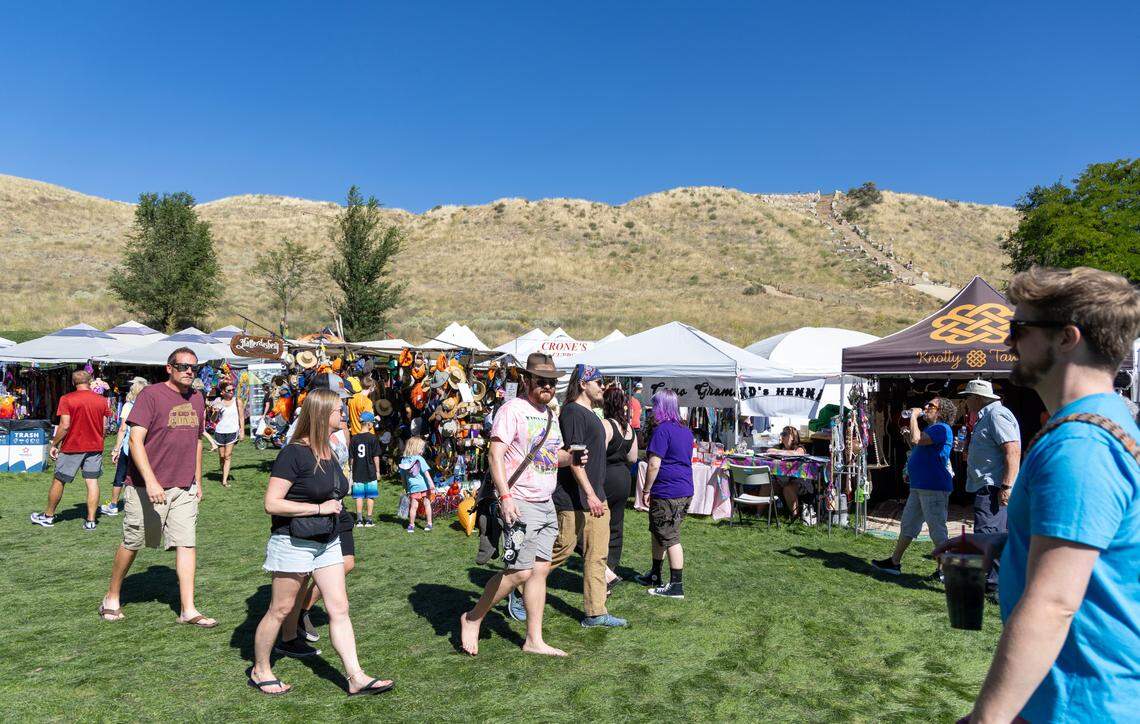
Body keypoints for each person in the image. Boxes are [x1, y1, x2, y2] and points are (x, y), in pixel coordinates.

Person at [934, 266, 1140, 723]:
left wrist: (987, 718)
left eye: (1019, 329)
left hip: (1080, 703)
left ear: (1067, 338)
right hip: (1067, 694)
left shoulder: (1080, 445)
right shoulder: (1103, 421)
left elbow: (1053, 603)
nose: (1009, 342)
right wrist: (1005, 543)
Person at [249, 387, 392, 696]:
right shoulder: (293, 453)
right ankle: (260, 669)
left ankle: (355, 676)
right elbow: (271, 503)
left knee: (340, 608)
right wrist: (317, 507)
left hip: (326, 541)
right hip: (292, 541)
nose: (344, 415)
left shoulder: (330, 449)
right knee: (281, 608)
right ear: (322, 415)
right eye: (339, 410)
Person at [460, 353, 574, 656]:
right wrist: (506, 497)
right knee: (519, 572)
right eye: (542, 381)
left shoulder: (550, 414)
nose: (548, 387)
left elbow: (551, 455)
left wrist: (571, 457)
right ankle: (472, 618)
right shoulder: (512, 410)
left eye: (552, 383)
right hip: (520, 501)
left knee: (539, 572)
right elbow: (494, 455)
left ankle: (533, 640)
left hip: (546, 502)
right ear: (526, 380)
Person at [98, 348, 216, 626]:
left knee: (186, 544)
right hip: (145, 487)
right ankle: (112, 596)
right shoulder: (150, 396)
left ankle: (188, 609)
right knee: (134, 541)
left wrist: (197, 480)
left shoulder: (198, 398)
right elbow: (135, 440)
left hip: (184, 487)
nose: (189, 371)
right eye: (183, 366)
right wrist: (151, 480)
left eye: (193, 367)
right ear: (169, 368)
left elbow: (197, 441)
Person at [551, 364, 627, 627]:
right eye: (598, 382)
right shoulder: (572, 412)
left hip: (596, 496)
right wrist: (591, 494)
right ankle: (520, 584)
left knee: (597, 555)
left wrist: (597, 495)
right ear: (583, 384)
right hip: (576, 499)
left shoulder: (591, 413)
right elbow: (574, 460)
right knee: (563, 549)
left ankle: (596, 613)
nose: (602, 386)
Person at [871, 396, 958, 579]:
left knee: (937, 529)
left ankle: (947, 570)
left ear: (941, 412)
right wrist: (909, 435)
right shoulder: (933, 429)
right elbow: (919, 445)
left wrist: (914, 416)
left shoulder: (942, 428)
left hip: (933, 486)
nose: (926, 407)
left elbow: (917, 439)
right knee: (909, 525)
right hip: (921, 486)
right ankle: (894, 562)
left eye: (931, 405)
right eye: (926, 405)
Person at [30, 370, 112, 530]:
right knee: (92, 481)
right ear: (90, 381)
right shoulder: (102, 400)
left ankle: (48, 516)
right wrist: (98, 440)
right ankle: (91, 520)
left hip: (73, 446)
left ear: (73, 383)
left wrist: (54, 444)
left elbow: (65, 425)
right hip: (95, 446)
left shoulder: (67, 399)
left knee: (59, 480)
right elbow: (104, 427)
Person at [959, 379, 1020, 592]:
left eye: (967, 396)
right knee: (994, 534)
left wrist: (1007, 485)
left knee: (987, 533)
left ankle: (994, 585)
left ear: (977, 398)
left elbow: (1012, 449)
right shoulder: (988, 416)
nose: (966, 401)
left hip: (993, 486)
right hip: (990, 484)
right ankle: (995, 583)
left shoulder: (996, 415)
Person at [635, 389, 694, 599]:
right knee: (658, 531)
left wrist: (646, 489)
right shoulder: (686, 431)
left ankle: (676, 585)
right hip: (684, 489)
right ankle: (655, 574)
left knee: (670, 536)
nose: (651, 411)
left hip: (668, 490)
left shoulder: (662, 431)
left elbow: (653, 463)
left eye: (654, 407)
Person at [602, 386, 638, 587]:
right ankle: (611, 568)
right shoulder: (629, 428)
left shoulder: (607, 425)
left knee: (600, 525)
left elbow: (599, 453)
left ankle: (604, 572)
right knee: (616, 526)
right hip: (623, 478)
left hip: (607, 477)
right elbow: (633, 458)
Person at [101, 377, 148, 517]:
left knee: (120, 475)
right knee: (142, 475)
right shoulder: (151, 406)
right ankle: (144, 503)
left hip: (129, 446)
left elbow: (122, 429)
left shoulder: (128, 406)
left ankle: (114, 505)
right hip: (145, 447)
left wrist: (116, 448)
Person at [766, 425, 808, 520]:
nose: (782, 436)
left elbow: (797, 453)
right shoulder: (780, 447)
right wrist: (782, 452)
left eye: (785, 434)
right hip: (781, 480)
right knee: (767, 485)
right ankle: (758, 514)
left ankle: (795, 517)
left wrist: (780, 453)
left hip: (799, 482)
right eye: (782, 433)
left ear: (792, 437)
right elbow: (769, 451)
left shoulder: (800, 447)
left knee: (788, 489)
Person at [209, 381, 244, 488]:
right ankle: (223, 470)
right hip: (220, 431)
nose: (232, 392)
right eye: (229, 390)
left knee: (228, 456)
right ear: (222, 392)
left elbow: (241, 417)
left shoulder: (237, 401)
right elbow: (212, 420)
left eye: (233, 390)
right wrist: (215, 412)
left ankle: (224, 480)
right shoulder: (217, 402)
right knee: (222, 456)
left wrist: (242, 430)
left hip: (233, 431)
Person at [349, 411, 381, 527]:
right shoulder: (373, 438)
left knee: (359, 496)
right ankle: (368, 519)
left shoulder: (354, 439)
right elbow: (376, 456)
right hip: (370, 470)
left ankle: (358, 519)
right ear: (368, 424)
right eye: (372, 423)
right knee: (370, 495)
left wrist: (352, 470)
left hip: (358, 471)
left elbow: (351, 458)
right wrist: (378, 471)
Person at [399, 436, 435, 532]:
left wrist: (405, 487)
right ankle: (429, 524)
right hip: (424, 486)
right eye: (422, 448)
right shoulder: (419, 459)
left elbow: (403, 477)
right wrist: (431, 485)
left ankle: (411, 525)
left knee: (413, 506)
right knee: (427, 504)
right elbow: (426, 473)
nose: (423, 450)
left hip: (413, 487)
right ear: (417, 448)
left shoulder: (403, 461)